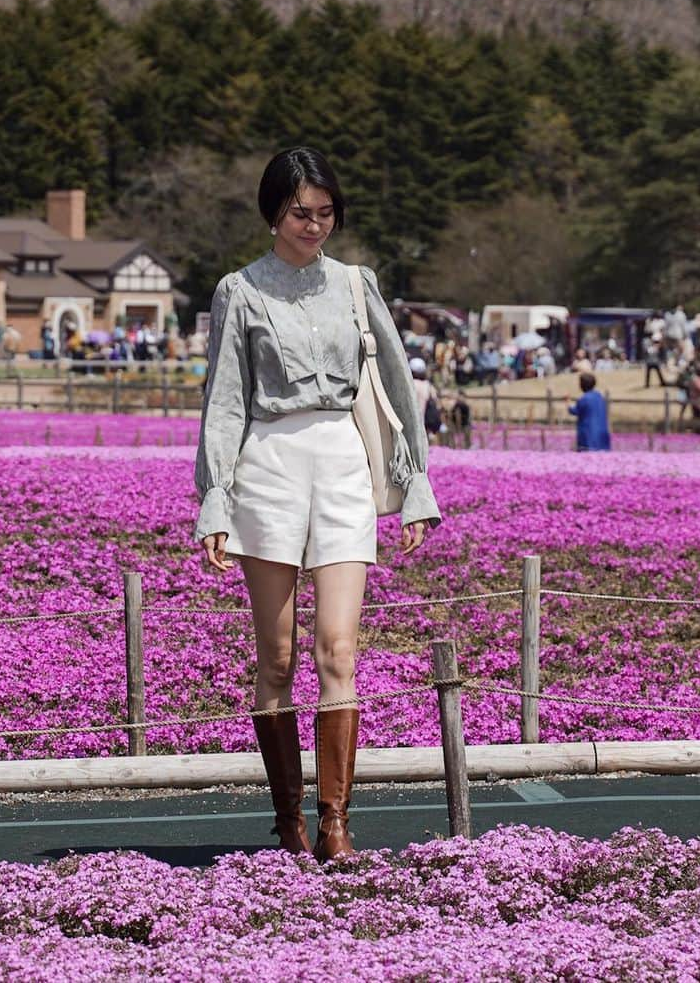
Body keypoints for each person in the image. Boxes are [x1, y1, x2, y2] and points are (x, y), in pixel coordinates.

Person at [194, 146, 440, 863]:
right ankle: (289, 820)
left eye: (326, 212)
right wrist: (215, 497)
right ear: (275, 211)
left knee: (339, 648)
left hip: (340, 462)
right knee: (277, 658)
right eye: (301, 212)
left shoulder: (357, 285)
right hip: (266, 464)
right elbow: (224, 402)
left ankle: (336, 823)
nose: (314, 225)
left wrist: (416, 484)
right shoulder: (239, 291)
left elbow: (397, 388)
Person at [567, 372, 611, 451]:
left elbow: (574, 411)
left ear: (582, 385)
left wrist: (568, 402)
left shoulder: (584, 399)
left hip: (588, 434)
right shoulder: (600, 397)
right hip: (602, 433)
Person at [409, 356, 442, 442]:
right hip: (426, 423)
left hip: (411, 423)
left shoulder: (410, 385)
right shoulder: (428, 385)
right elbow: (437, 403)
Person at [687, 362, 700, 431]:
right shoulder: (695, 379)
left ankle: (699, 432)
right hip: (697, 402)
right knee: (698, 418)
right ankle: (697, 433)